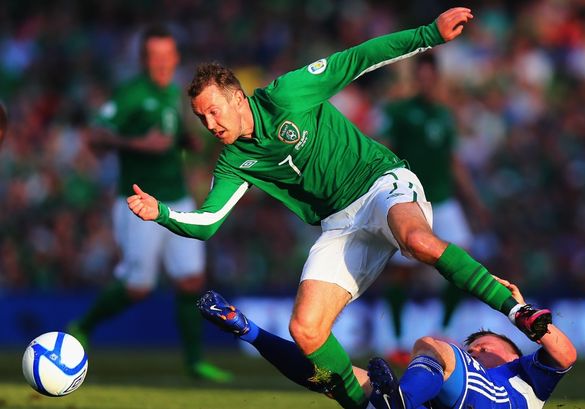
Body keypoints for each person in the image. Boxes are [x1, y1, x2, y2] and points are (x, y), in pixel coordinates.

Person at [127, 8, 551, 408]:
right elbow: (207, 222)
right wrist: (160, 213)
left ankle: (517, 310)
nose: (210, 125)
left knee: (417, 241)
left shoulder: (288, 93)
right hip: (341, 225)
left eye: (213, 112)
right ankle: (378, 405)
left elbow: (358, 58)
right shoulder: (234, 161)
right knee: (306, 330)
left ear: (238, 98)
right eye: (201, 118)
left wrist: (429, 34)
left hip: (380, 183)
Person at [67, 25, 232, 382]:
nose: (162, 63)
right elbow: (95, 136)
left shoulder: (174, 93)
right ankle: (82, 326)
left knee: (191, 280)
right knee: (137, 287)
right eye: (155, 56)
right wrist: (139, 143)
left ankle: (194, 362)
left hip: (177, 198)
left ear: (175, 57)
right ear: (144, 59)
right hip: (139, 203)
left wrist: (185, 141)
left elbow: (171, 138)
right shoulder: (132, 93)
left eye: (167, 55)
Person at [378, 52, 491, 366]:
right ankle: (397, 341)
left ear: (436, 79)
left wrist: (475, 202)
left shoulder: (444, 115)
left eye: (431, 77)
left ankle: (444, 330)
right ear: (417, 78)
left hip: (443, 200)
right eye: (422, 77)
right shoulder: (400, 112)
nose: (427, 83)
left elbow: (453, 162)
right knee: (401, 273)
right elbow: (384, 151)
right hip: (411, 202)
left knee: (465, 263)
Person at [368, 276, 577, 409]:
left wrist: (520, 311)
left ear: (513, 356)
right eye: (470, 352)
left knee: (431, 346)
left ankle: (399, 402)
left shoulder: (526, 373)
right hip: (460, 399)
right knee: (362, 381)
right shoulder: (451, 381)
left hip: (495, 402)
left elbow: (566, 354)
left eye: (483, 348)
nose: (474, 352)